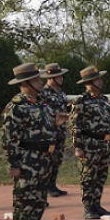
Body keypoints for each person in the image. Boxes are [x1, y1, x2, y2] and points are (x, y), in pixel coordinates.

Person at [2, 63, 69, 220]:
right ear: (26, 83)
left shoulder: (40, 104)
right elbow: (9, 139)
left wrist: (55, 122)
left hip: (43, 159)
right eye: (37, 79)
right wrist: (14, 164)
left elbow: (43, 126)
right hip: (27, 161)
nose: (40, 82)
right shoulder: (16, 107)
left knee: (39, 200)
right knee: (25, 201)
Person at [71, 66, 110, 219]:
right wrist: (78, 147)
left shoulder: (103, 99)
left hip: (104, 145)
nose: (101, 81)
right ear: (89, 83)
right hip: (89, 145)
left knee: (101, 176)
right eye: (97, 79)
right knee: (89, 177)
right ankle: (88, 208)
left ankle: (97, 204)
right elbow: (75, 125)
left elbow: (103, 121)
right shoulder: (81, 101)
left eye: (100, 79)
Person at [40, 63, 70, 198]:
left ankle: (52, 185)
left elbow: (65, 107)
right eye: (58, 76)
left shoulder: (61, 92)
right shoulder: (43, 93)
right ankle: (45, 186)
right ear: (50, 77)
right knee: (48, 159)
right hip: (49, 132)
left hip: (60, 131)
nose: (61, 78)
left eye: (61, 76)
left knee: (57, 159)